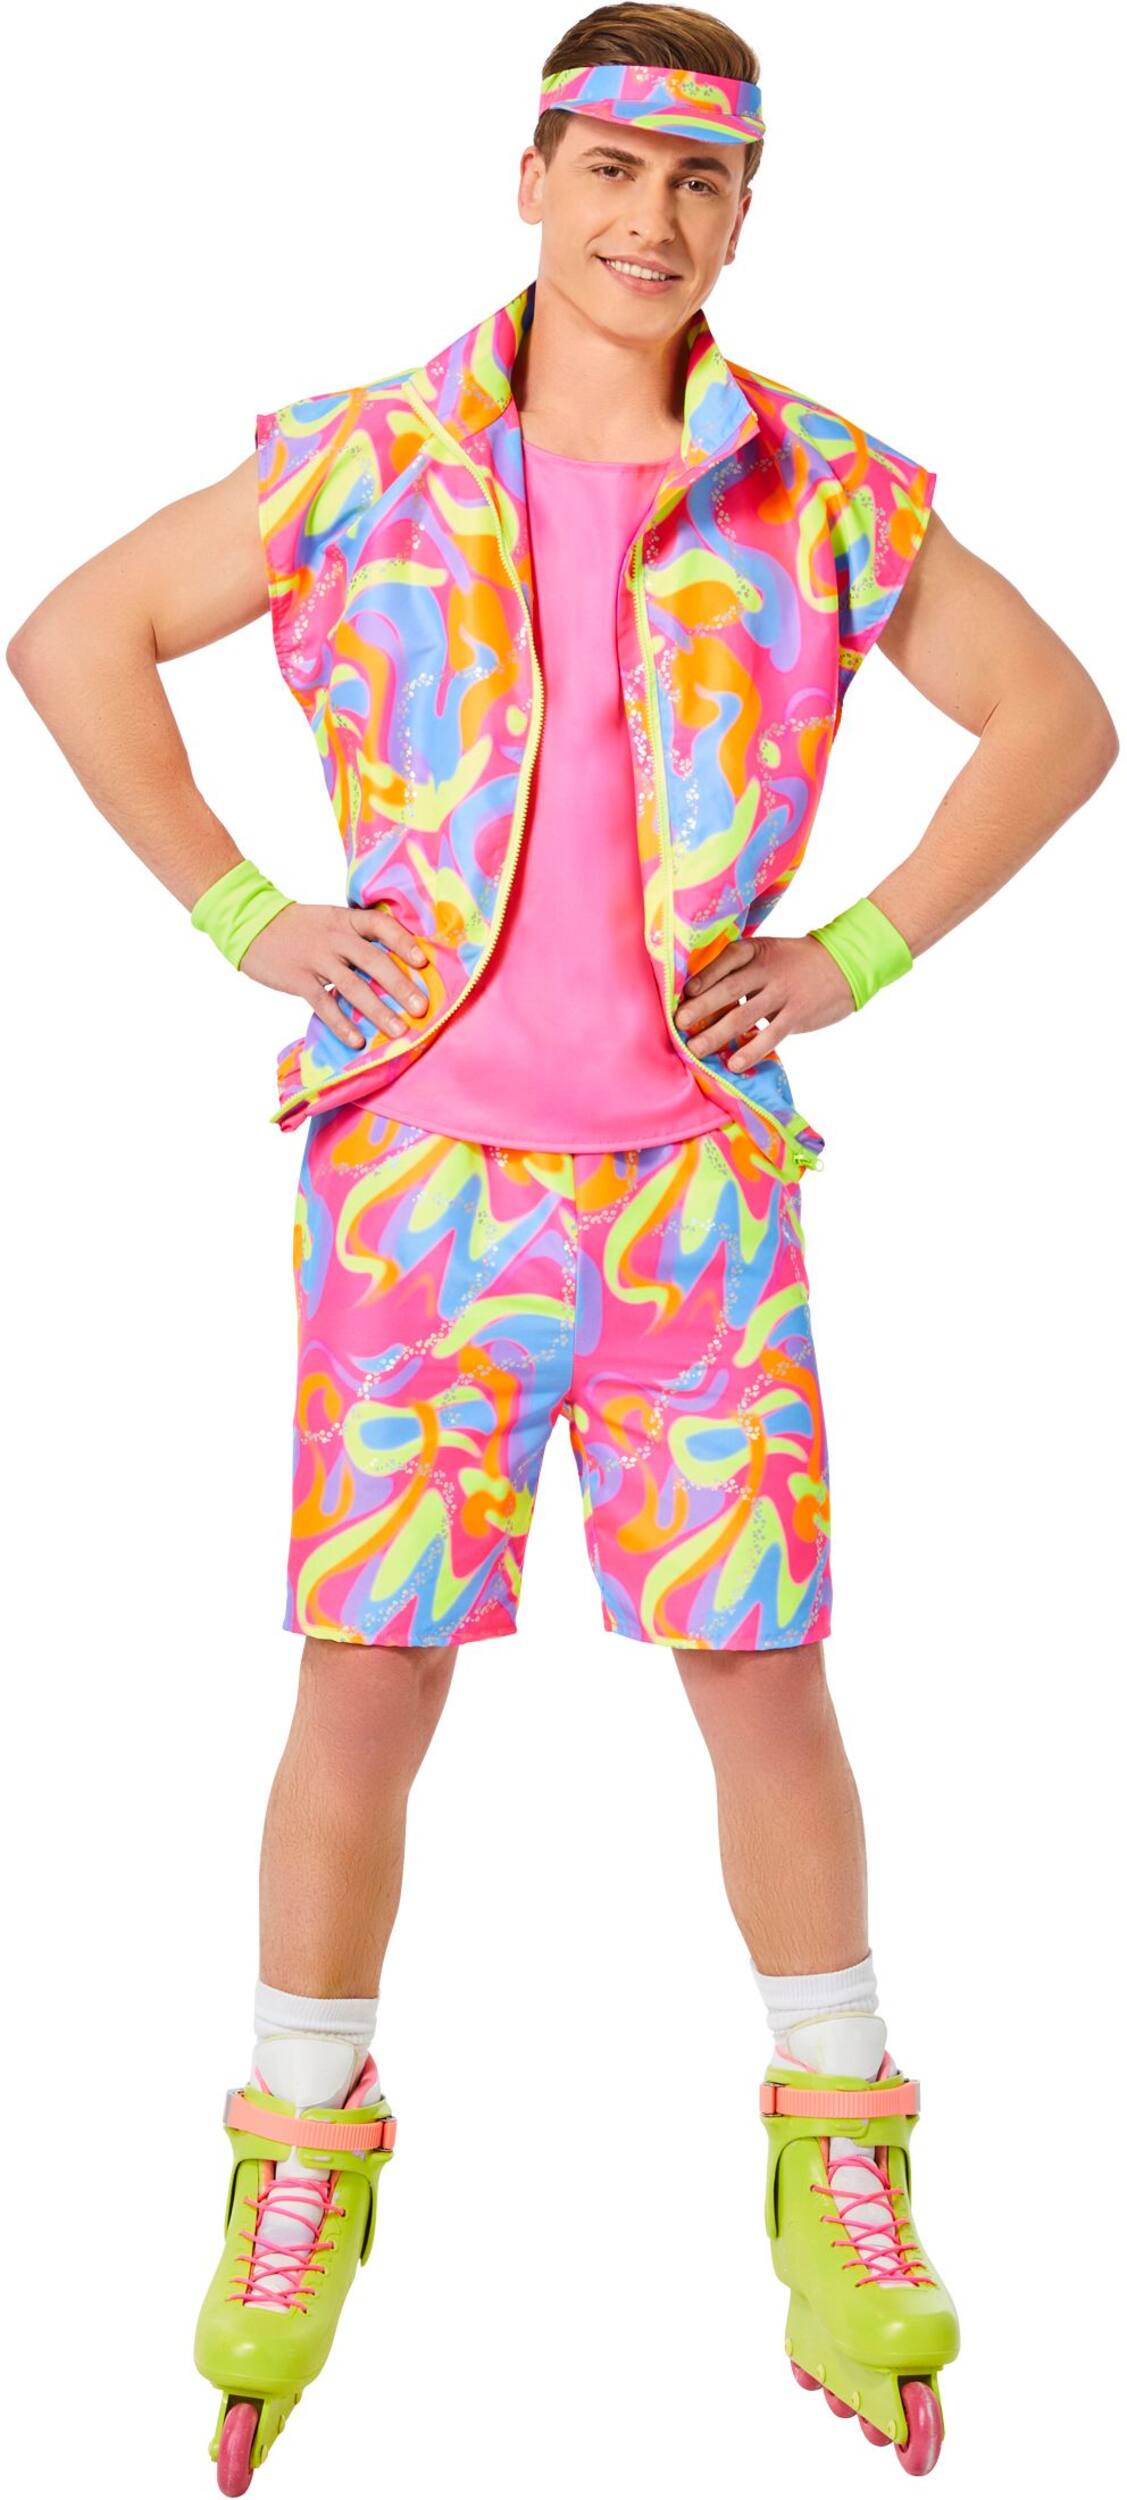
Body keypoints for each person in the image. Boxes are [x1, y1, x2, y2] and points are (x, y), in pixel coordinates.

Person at [7, 4, 1118, 2486]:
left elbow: (1057, 715)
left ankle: (841, 2148)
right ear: (529, 178)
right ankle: (299, 2152)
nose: (652, 220)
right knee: (368, 1673)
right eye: (612, 167)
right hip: (424, 1192)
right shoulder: (368, 463)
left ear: (748, 214)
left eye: (700, 182)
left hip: (692, 1198)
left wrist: (855, 954)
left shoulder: (819, 492)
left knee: (764, 1673)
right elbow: (73, 633)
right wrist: (243, 911)